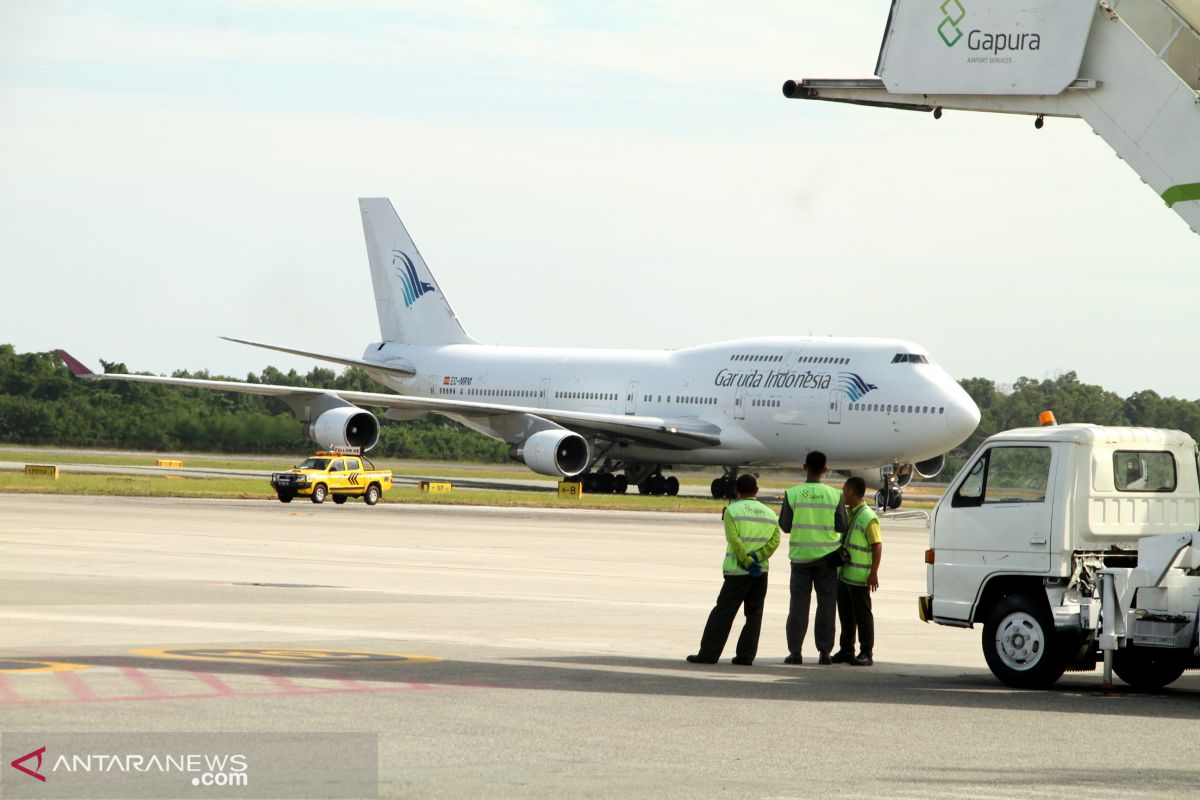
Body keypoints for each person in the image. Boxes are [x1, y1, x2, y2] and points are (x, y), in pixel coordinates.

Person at [687, 474, 781, 666]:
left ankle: (709, 654)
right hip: (760, 572)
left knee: (723, 612)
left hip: (738, 572)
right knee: (754, 614)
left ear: (737, 490)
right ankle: (746, 656)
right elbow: (775, 541)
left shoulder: (732, 511)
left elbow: (734, 540)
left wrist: (746, 561)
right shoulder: (770, 514)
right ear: (756, 490)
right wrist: (758, 557)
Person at [780, 451, 847, 665]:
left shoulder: (792, 493)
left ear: (804, 467)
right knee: (827, 605)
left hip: (801, 559)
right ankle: (825, 652)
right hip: (827, 560)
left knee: (798, 606)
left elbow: (785, 526)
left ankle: (795, 652)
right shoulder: (835, 495)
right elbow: (842, 526)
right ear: (825, 470)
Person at [831, 476, 882, 667]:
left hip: (860, 577)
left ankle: (866, 652)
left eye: (844, 490)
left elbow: (877, 545)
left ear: (852, 491)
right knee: (846, 615)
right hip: (845, 575)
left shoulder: (868, 517)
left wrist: (873, 573)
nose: (842, 494)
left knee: (863, 615)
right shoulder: (852, 513)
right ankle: (846, 649)